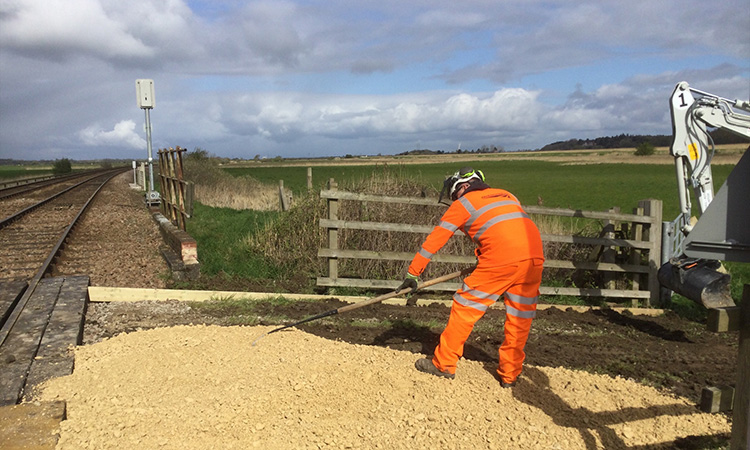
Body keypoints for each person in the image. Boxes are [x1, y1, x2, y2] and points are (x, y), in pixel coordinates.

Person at [396, 167, 544, 387]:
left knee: (464, 308)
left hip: (501, 260)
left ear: (462, 186)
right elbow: (507, 229)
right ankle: (509, 375)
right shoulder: (507, 195)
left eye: (454, 193)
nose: (454, 198)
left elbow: (435, 241)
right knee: (519, 319)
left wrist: (413, 273)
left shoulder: (464, 204)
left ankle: (443, 364)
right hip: (534, 258)